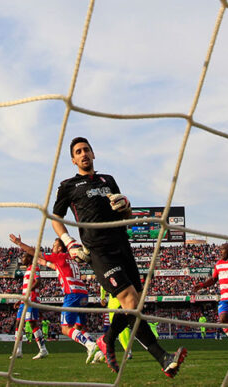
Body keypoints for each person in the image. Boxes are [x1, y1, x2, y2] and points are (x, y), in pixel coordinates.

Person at [51, 136, 188, 377]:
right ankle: (110, 340)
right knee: (129, 299)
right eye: (78, 152)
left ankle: (163, 358)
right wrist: (68, 242)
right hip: (99, 250)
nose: (83, 154)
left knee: (134, 306)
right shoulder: (68, 186)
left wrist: (126, 203)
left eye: (87, 150)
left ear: (94, 154)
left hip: (122, 245)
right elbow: (56, 219)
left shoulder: (109, 180)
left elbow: (125, 210)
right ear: (73, 159)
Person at [10, 233, 101, 363]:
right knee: (79, 327)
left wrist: (19, 243)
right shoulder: (70, 258)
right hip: (83, 294)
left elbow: (36, 253)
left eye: (54, 246)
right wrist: (40, 261)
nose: (52, 248)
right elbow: (52, 265)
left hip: (72, 293)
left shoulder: (59, 257)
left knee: (65, 328)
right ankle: (98, 352)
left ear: (59, 249)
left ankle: (91, 346)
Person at [13, 252, 50, 359]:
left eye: (24, 257)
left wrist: (28, 293)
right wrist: (20, 300)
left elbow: (38, 282)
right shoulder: (27, 270)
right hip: (24, 300)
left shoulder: (35, 268)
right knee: (18, 323)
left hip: (32, 299)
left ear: (29, 258)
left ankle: (43, 350)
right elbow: (25, 289)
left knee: (32, 323)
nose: (22, 259)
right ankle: (18, 351)